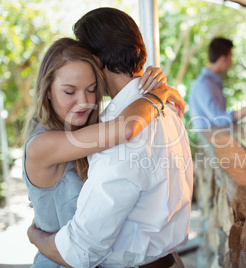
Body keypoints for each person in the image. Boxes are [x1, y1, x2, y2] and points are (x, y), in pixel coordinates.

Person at [27, 7, 193, 268]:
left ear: (95, 61)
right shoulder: (166, 108)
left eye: (90, 88)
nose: (83, 98)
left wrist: (35, 236)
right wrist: (159, 93)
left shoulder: (121, 129)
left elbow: (82, 251)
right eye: (70, 90)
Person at [189, 37, 246, 129]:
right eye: (231, 57)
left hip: (217, 138)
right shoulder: (205, 84)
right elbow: (220, 120)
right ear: (223, 59)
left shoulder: (213, 81)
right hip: (211, 141)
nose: (231, 62)